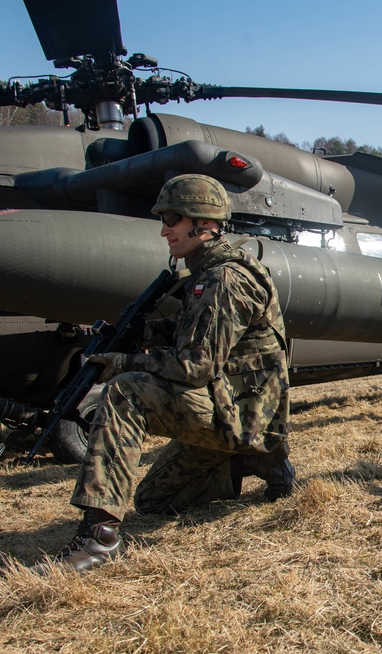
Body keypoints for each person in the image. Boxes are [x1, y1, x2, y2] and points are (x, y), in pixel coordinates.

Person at [41, 174, 294, 573]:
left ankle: (98, 541)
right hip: (232, 407)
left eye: (172, 219)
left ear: (203, 222)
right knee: (153, 501)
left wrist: (124, 363)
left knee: (126, 392)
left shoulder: (223, 278)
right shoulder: (204, 274)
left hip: (241, 415)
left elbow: (196, 366)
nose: (164, 231)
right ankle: (253, 462)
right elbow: (200, 341)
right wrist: (144, 333)